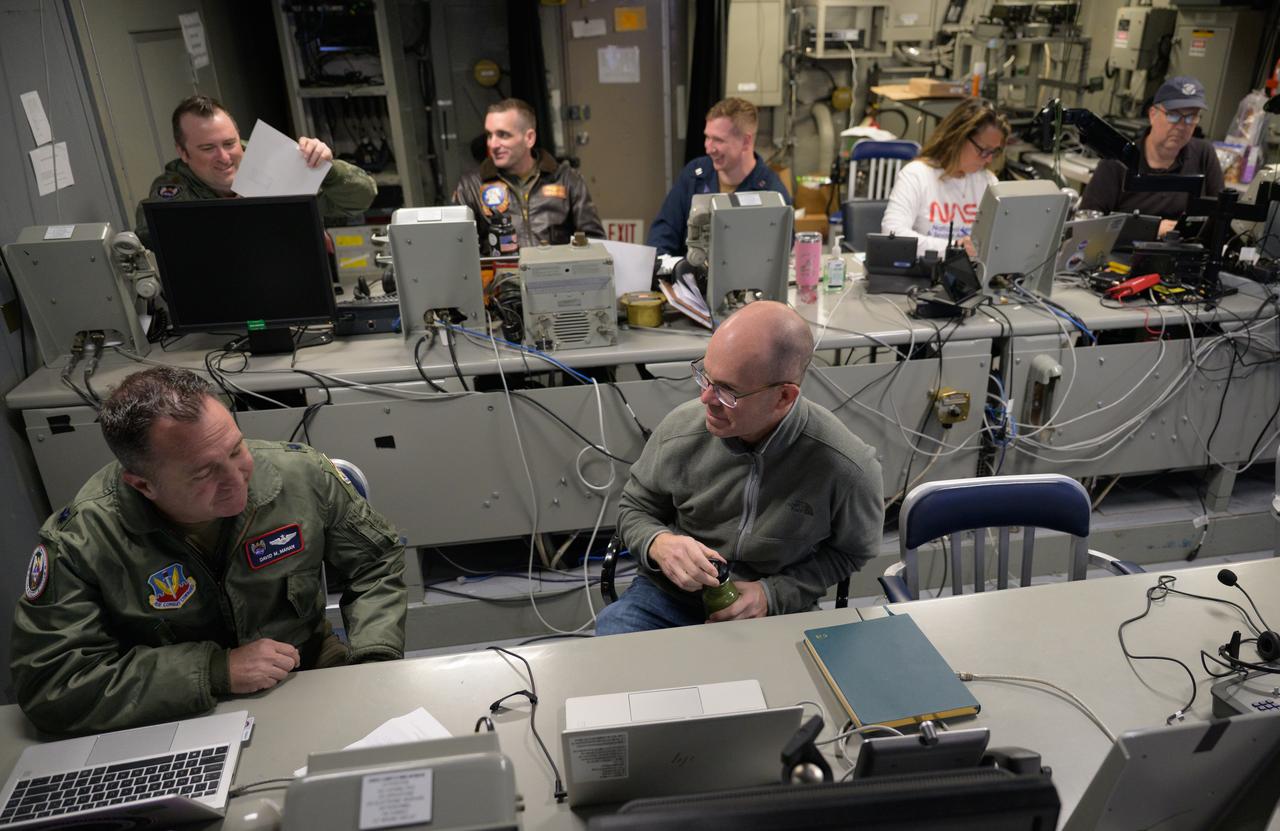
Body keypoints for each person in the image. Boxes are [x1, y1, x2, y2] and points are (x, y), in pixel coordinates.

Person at [11, 367, 407, 736]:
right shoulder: (82, 540)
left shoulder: (302, 477)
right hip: (168, 709)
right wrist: (215, 670)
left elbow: (377, 563)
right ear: (143, 485)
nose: (237, 481)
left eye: (236, 450)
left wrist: (372, 659)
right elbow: (52, 683)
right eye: (203, 473)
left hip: (307, 667)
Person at [595, 302, 884, 634]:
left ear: (784, 397)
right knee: (616, 647)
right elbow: (634, 507)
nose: (706, 398)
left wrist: (772, 595)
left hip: (774, 609)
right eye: (705, 375)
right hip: (668, 597)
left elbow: (850, 553)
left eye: (727, 391)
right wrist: (657, 542)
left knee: (792, 683)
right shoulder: (680, 431)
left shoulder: (846, 467)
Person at [134, 95, 377, 246]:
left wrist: (328, 169)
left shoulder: (272, 160)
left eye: (230, 143)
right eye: (208, 148)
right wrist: (240, 214)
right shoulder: (176, 186)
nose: (224, 157)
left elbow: (362, 199)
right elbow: (152, 234)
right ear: (183, 153)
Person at [452, 98, 604, 255]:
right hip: (499, 279)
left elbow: (596, 245)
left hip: (556, 277)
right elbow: (457, 252)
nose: (493, 144)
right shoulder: (471, 186)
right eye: (489, 135)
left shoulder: (567, 180)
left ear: (529, 138)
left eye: (503, 135)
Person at [1079, 76, 1224, 238]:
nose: (1182, 125)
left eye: (1192, 117)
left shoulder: (1204, 154)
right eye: (1173, 115)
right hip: (1124, 255)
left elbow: (1220, 215)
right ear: (1152, 114)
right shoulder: (1118, 161)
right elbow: (1086, 224)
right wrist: (1150, 229)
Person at [648, 98, 792, 257]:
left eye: (718, 140)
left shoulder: (771, 194)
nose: (708, 148)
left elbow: (780, 254)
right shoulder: (694, 175)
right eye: (707, 137)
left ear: (746, 141)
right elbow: (662, 233)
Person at [881, 98, 1010, 257]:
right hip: (925, 274)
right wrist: (954, 248)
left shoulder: (988, 181)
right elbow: (892, 234)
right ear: (958, 138)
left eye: (994, 152)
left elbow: (1000, 238)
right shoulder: (916, 175)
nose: (989, 159)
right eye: (984, 150)